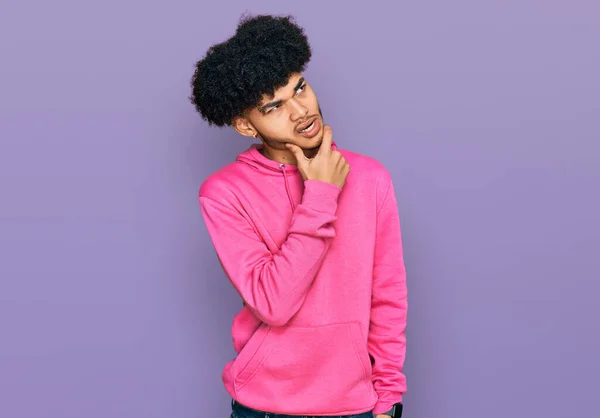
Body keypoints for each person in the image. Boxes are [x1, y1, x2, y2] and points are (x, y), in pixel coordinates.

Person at [189, 13, 408, 418]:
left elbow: (388, 297)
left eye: (300, 89)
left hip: (355, 406)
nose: (300, 111)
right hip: (265, 406)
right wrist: (322, 195)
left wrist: (389, 395)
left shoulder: (370, 178)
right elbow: (274, 303)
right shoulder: (224, 193)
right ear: (244, 124)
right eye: (274, 106)